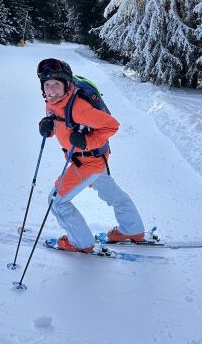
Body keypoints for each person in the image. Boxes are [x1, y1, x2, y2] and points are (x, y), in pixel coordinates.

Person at [37, 57, 145, 253]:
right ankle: (132, 230)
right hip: (91, 160)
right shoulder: (52, 101)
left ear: (66, 84)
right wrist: (48, 128)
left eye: (56, 84)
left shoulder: (79, 108)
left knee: (57, 200)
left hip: (88, 162)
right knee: (112, 194)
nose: (51, 89)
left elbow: (112, 125)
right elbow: (60, 124)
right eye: (47, 84)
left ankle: (81, 242)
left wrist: (87, 141)